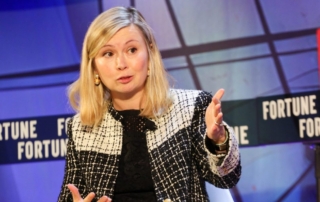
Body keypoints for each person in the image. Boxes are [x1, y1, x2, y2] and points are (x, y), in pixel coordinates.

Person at [58, 6, 241, 202]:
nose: (121, 64)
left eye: (132, 50)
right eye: (108, 54)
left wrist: (219, 141)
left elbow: (226, 179)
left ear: (150, 54)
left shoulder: (189, 109)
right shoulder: (81, 128)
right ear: (94, 66)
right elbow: (71, 196)